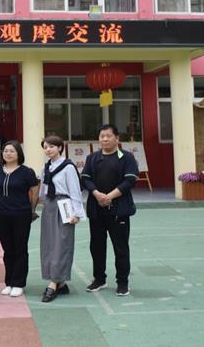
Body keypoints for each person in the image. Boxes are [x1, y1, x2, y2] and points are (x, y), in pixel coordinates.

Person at [80, 124, 139, 297]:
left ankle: (122, 283)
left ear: (117, 138)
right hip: (96, 210)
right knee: (96, 246)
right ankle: (99, 279)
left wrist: (110, 197)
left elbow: (129, 181)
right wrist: (97, 194)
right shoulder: (92, 158)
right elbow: (85, 178)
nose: (104, 139)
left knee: (121, 248)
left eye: (108, 136)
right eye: (101, 136)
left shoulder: (126, 157)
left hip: (119, 211)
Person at [39, 135, 85, 303]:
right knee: (48, 244)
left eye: (51, 146)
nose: (48, 149)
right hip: (50, 206)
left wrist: (77, 213)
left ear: (60, 147)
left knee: (62, 244)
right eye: (45, 147)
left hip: (64, 205)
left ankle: (53, 283)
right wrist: (43, 202)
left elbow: (75, 191)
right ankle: (62, 283)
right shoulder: (46, 167)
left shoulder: (68, 167)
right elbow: (43, 188)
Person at [0, 140, 39, 298]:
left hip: (21, 214)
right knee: (8, 249)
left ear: (19, 153)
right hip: (2, 214)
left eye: (12, 151)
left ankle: (18, 283)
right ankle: (9, 282)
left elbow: (34, 192)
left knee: (20, 249)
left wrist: (31, 210)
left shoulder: (27, 172)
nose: (8, 153)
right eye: (5, 151)